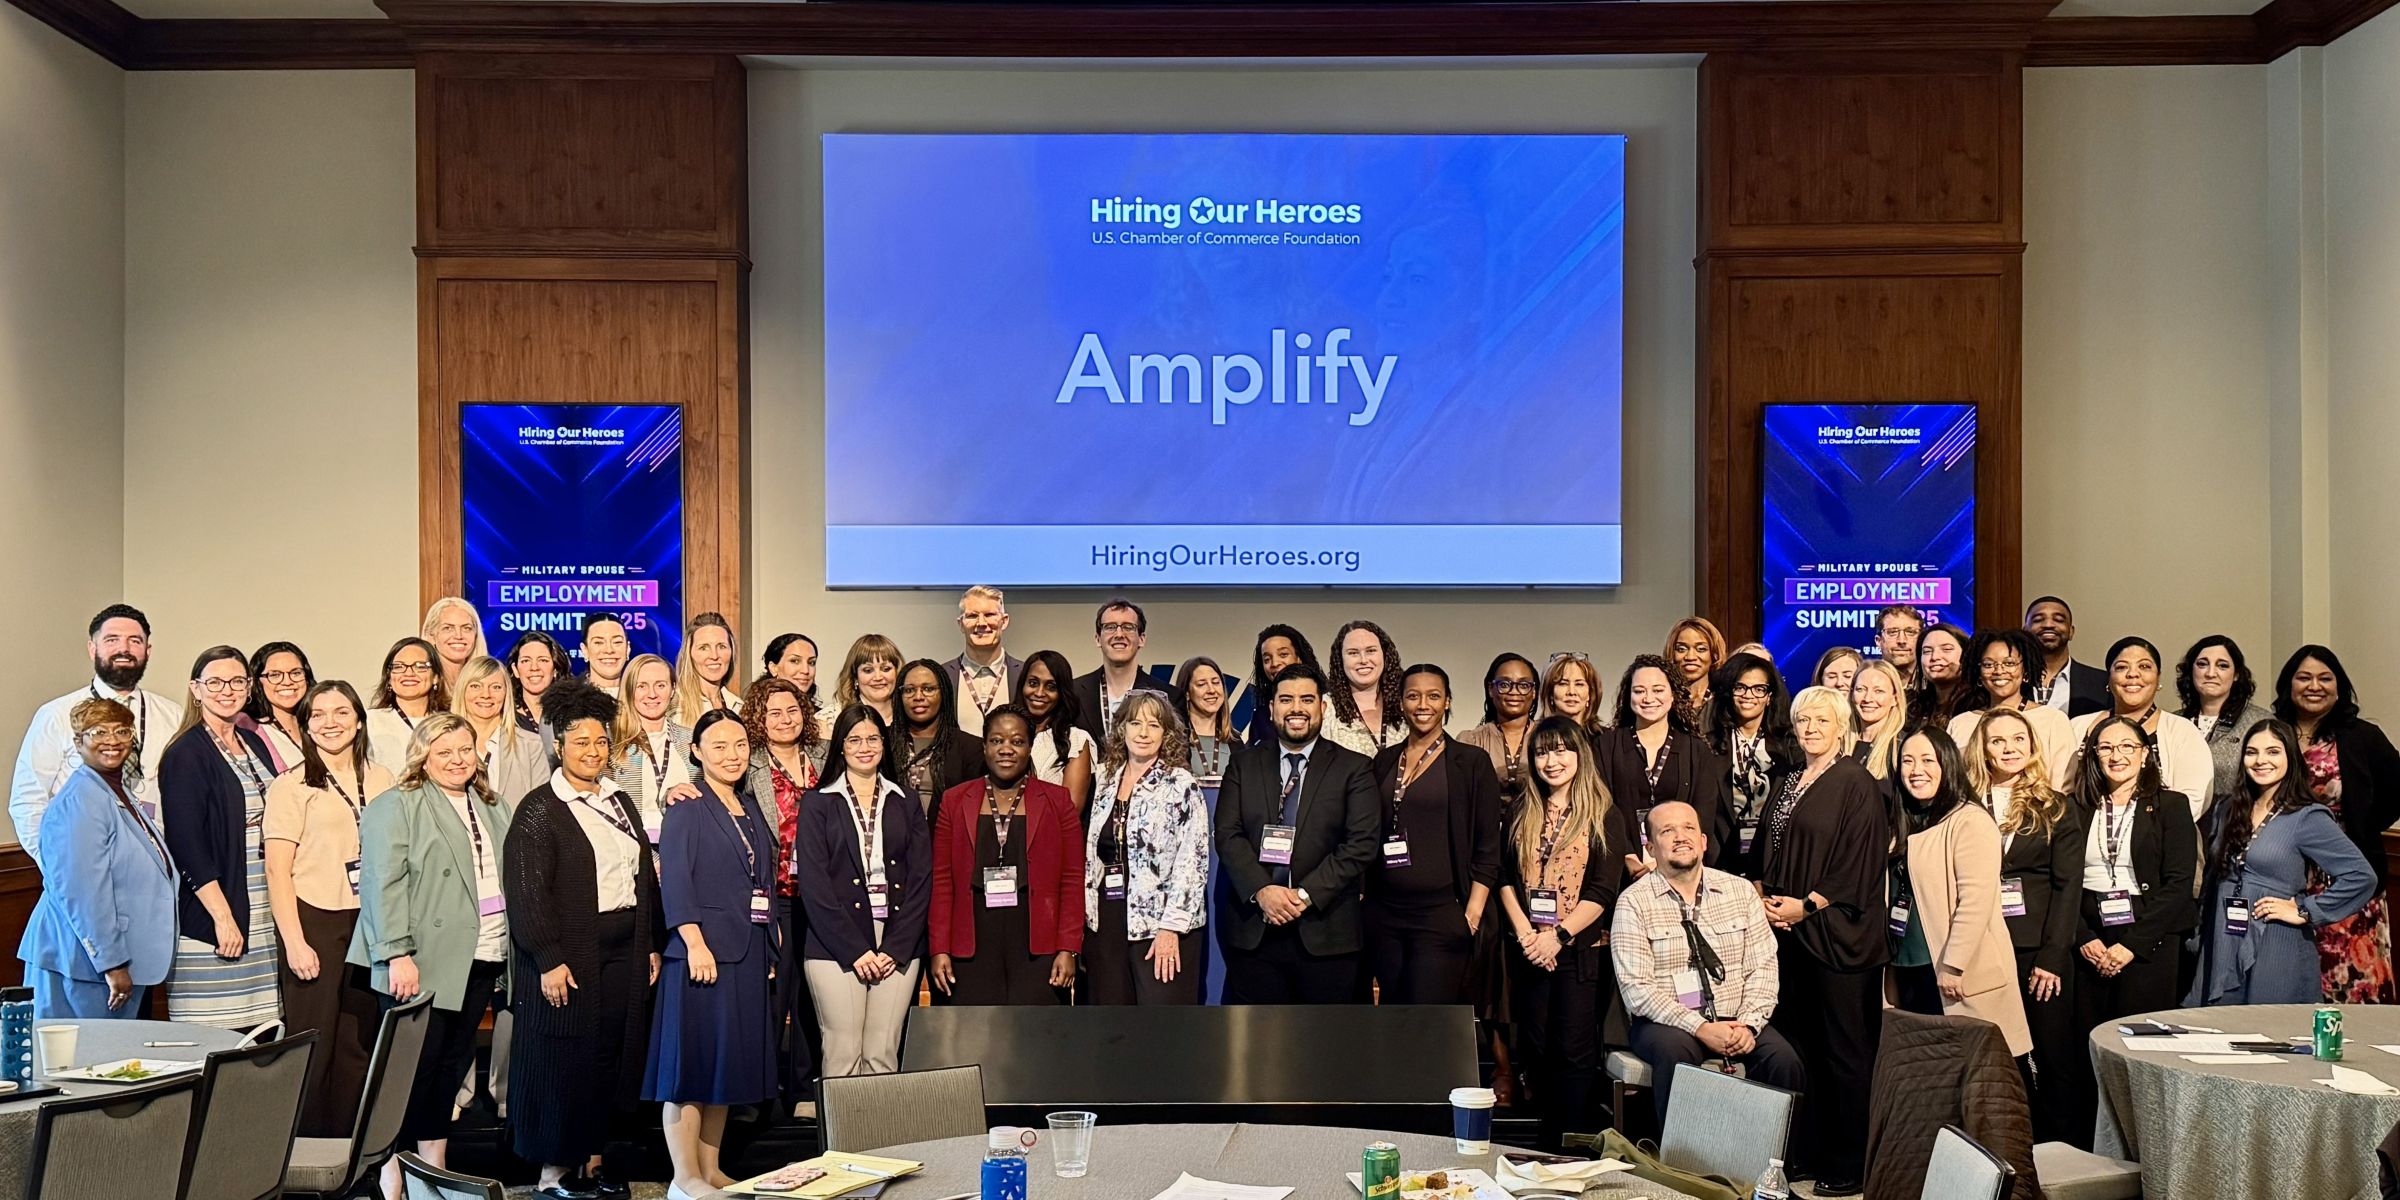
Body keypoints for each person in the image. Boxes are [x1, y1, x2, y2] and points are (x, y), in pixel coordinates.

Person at [505, 683, 662, 1200]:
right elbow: (527, 895)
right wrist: (549, 959)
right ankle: (555, 1173)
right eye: (580, 743)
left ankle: (594, 1161)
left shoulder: (619, 802)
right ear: (558, 747)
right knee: (563, 1058)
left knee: (609, 1054)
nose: (592, 752)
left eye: (600, 743)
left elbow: (643, 877)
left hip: (624, 947)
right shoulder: (538, 810)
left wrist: (652, 944)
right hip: (568, 953)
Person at [351, 714, 514, 1200]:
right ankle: (391, 1170)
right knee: (409, 1074)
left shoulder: (491, 803)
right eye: (444, 752)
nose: (457, 760)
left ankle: (433, 1166)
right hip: (420, 960)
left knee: (450, 1067)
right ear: (422, 755)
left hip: (479, 953)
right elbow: (382, 886)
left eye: (465, 750)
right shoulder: (397, 806)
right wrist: (397, 954)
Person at [1758, 687, 1891, 1196]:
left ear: (1842, 726)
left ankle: (1850, 1163)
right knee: (1802, 1051)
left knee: (1845, 1054)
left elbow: (1860, 860)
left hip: (1839, 939)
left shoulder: (1857, 781)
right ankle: (1807, 1153)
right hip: (1789, 937)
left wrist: (1807, 905)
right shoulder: (1790, 780)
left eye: (1821, 719)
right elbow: (1770, 847)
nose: (1810, 727)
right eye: (1801, 719)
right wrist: (1768, 900)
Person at [647, 709, 779, 1200]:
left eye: (740, 744)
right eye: (718, 745)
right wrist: (694, 941)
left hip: (745, 952)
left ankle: (711, 1168)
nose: (732, 754)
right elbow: (676, 879)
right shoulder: (686, 806)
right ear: (696, 752)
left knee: (723, 1066)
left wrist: (769, 943)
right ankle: (684, 1178)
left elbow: (761, 880)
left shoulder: (748, 805)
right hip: (699, 954)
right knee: (688, 1070)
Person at [1612, 800, 1805, 1124]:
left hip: (1737, 1017)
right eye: (1667, 831)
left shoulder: (1741, 892)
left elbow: (1763, 968)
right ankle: (1683, 1164)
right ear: (1650, 847)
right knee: (1676, 1055)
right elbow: (1637, 989)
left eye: (1688, 828)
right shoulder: (1633, 902)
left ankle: (1773, 1165)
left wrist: (1748, 1024)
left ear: (1703, 841)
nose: (1680, 837)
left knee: (1784, 1060)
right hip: (1668, 1024)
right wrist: (1700, 1027)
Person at [1497, 716, 1634, 1149]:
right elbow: (1503, 877)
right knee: (1534, 1049)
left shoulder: (1603, 812)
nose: (1551, 761)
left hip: (1578, 951)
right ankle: (1537, 1146)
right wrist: (1526, 934)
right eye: (1541, 752)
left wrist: (1556, 936)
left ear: (1579, 754)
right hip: (1529, 947)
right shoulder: (1523, 808)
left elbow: (1603, 890)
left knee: (1574, 1054)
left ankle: (1570, 1151)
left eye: (1560, 750)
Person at [262, 681, 392, 1138]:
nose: (330, 722)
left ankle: (348, 1153)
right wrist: (294, 943)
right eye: (318, 714)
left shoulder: (383, 778)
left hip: (370, 920)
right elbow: (277, 872)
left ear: (359, 719)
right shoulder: (290, 786)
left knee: (357, 1042)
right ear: (307, 725)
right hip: (314, 918)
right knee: (313, 1042)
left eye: (341, 712)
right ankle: (302, 1157)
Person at [2064, 715, 2196, 1149]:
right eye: (2105, 747)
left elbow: (2178, 887)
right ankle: (2092, 1154)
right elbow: (2060, 884)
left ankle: (2148, 1153)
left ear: (2144, 754)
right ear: (2093, 756)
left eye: (2127, 747)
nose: (2116, 756)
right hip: (2089, 935)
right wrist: (2084, 938)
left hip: (2149, 942)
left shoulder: (2171, 806)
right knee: (2089, 1055)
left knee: (2141, 1053)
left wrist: (2130, 947)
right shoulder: (2074, 806)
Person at [1214, 662, 1379, 1004]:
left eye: (1307, 699)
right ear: (1272, 708)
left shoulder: (1354, 768)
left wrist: (1302, 896)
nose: (1297, 709)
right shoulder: (1244, 763)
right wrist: (1262, 891)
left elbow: (1360, 845)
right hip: (1255, 931)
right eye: (1286, 700)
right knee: (1259, 1048)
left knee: (1323, 1048)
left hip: (1326, 933)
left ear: (1323, 707)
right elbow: (1228, 834)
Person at [1959, 706, 2085, 1145]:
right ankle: (2005, 1147)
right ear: (1983, 748)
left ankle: (2062, 1150)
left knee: (2052, 1055)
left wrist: (2053, 957)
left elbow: (2068, 889)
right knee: (1994, 1056)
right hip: (1980, 946)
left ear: (2031, 747)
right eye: (1998, 741)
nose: (2009, 749)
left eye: (2018, 740)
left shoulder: (2056, 807)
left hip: (2037, 952)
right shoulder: (1964, 804)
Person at [2189, 719, 2376, 1007]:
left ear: (2290, 756)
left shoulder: (2308, 816)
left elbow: (2361, 876)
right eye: (2252, 752)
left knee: (2271, 1033)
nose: (2261, 760)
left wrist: (2305, 910)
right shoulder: (2227, 808)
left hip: (2275, 940)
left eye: (2273, 752)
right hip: (2223, 937)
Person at [17, 698, 177, 1019]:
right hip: (84, 964)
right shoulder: (80, 800)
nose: (112, 740)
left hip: (111, 962)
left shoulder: (115, 791)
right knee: (86, 1064)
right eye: (98, 731)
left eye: (121, 730)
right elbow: (84, 892)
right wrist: (112, 963)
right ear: (78, 742)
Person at [798, 706, 929, 1078]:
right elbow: (815, 885)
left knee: (882, 1052)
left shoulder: (905, 800)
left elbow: (921, 879)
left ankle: (881, 1138)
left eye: (872, 738)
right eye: (854, 739)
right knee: (843, 1052)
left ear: (885, 744)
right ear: (840, 747)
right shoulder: (818, 802)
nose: (864, 747)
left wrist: (895, 949)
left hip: (896, 942)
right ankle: (844, 1139)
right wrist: (856, 952)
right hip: (835, 944)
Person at [1885, 729, 2031, 1059]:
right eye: (1908, 761)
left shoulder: (1969, 821)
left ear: (1947, 764)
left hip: (1953, 973)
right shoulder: (1903, 821)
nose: (1916, 769)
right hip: (1909, 966)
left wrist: (1954, 964)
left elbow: (1975, 902)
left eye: (1927, 760)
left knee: (1976, 1075)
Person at [159, 646, 284, 1029]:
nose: (226, 690)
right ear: (195, 689)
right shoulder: (185, 753)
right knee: (216, 1043)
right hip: (219, 910)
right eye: (214, 682)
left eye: (236, 681)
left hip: (260, 908)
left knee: (261, 1036)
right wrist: (223, 917)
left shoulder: (255, 742)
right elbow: (186, 845)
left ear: (249, 688)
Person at [1364, 665, 1503, 1004]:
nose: (1422, 704)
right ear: (1401, 703)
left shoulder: (1470, 762)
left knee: (1429, 1022)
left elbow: (1488, 845)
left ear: (1447, 702)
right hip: (1385, 916)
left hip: (1441, 914)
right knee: (1394, 1015)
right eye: (1413, 695)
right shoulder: (1383, 761)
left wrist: (1471, 914)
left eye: (1433, 695)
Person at [929, 705, 1082, 1005]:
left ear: (1029, 748)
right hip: (970, 943)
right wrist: (939, 948)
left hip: (1038, 944)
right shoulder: (954, 800)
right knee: (975, 1042)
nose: (1006, 749)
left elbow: (1073, 879)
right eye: (997, 741)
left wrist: (1068, 947)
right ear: (984, 747)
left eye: (1017, 741)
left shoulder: (1058, 801)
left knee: (1036, 1038)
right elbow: (942, 880)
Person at [2274, 645, 2400, 1004]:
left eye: (2325, 678)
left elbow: (2397, 789)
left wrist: (2358, 828)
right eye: (2304, 677)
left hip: (2348, 878)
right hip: (2287, 877)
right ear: (2289, 684)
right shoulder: (2273, 733)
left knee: (2350, 982)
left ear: (2339, 686)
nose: (2314, 686)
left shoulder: (2361, 735)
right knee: (2294, 979)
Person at [11, 604, 185, 858]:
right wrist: (57, 867)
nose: (124, 649)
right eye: (111, 639)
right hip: (80, 861)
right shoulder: (56, 714)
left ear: (147, 651)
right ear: (92, 648)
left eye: (134, 641)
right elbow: (28, 800)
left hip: (154, 863)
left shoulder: (173, 715)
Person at [1087, 693, 1212, 1005]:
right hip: (1108, 921)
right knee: (1113, 1028)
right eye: (1135, 723)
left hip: (1161, 926)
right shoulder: (1105, 779)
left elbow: (1193, 862)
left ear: (1166, 734)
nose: (1143, 732)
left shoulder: (1180, 784)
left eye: (1153, 725)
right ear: (1122, 729)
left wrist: (1170, 929)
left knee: (1161, 1030)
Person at [740, 675, 825, 1097]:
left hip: (822, 897)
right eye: (774, 712)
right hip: (774, 897)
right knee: (773, 997)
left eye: (792, 710)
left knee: (813, 996)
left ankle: (804, 1088)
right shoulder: (748, 764)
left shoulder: (824, 758)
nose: (785, 719)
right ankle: (762, 1092)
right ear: (758, 718)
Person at [1599, 654, 1732, 871]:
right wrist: (1628, 858)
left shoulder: (1696, 751)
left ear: (1673, 695)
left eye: (1658, 690)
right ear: (1628, 696)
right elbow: (1601, 808)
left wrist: (1668, 864)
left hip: (1681, 868)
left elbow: (1703, 817)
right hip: (1622, 868)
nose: (1648, 698)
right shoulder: (1606, 745)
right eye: (1639, 691)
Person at [2067, 637, 2216, 819]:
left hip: (2160, 839)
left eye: (2144, 667)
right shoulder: (2078, 726)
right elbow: (2061, 791)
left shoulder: (2182, 731)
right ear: (2109, 678)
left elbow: (2193, 801)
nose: (2133, 674)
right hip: (2082, 836)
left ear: (2158, 677)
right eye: (2121, 667)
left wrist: (2137, 833)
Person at [1708, 651, 1799, 880]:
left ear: (1769, 696)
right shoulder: (1708, 745)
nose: (1749, 695)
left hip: (1772, 864)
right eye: (1741, 687)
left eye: (1759, 689)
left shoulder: (1789, 747)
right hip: (1721, 863)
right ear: (1730, 692)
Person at [1952, 629, 2077, 789]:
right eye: (1988, 664)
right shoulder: (1960, 723)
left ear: (2025, 669)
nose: (1999, 671)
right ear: (1979, 673)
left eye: (2009, 663)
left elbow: (2064, 788)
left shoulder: (2052, 720)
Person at [2178, 635, 2273, 806]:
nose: (2210, 673)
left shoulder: (2260, 723)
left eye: (2222, 666)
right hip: (2179, 824)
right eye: (2202, 664)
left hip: (2238, 823)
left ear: (2236, 674)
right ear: (2191, 671)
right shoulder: (2174, 722)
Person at [609, 654, 690, 847]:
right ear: (629, 691)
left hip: (685, 851)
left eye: (660, 685)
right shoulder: (612, 742)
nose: (652, 694)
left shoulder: (690, 741)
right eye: (642, 686)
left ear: (672, 690)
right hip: (631, 854)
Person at [896, 659, 987, 825]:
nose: (918, 697)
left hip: (946, 842)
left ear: (943, 692)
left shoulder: (970, 748)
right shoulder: (882, 742)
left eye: (928, 689)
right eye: (909, 690)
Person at [455, 655, 552, 808]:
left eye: (496, 687)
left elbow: (542, 808)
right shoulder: (440, 744)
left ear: (506, 693)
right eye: (475, 686)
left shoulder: (531, 745)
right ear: (462, 690)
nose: (486, 694)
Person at [1075, 599, 1174, 743]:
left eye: (1128, 627)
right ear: (1098, 639)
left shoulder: (1169, 696)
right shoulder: (1073, 693)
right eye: (1110, 627)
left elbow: (1177, 755)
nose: (1119, 634)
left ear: (1141, 639)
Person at [1017, 650, 1096, 811]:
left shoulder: (1075, 740)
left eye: (1051, 687)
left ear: (1062, 693)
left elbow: (1070, 809)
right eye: (1033, 683)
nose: (1039, 693)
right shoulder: (1004, 732)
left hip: (1050, 833)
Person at [365, 637, 447, 780]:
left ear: (436, 677)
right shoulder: (370, 721)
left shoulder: (448, 723)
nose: (409, 673)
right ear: (389, 678)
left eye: (420, 666)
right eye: (399, 666)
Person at [1461, 653, 1541, 797]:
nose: (1514, 692)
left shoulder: (1549, 737)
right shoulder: (1471, 741)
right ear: (1491, 689)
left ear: (1534, 692)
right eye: (1504, 684)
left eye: (1523, 685)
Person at [946, 585, 1022, 738]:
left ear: (1004, 621)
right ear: (961, 624)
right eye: (972, 616)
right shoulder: (942, 676)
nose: (981, 623)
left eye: (989, 614)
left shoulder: (1025, 674)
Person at [1325, 619, 1406, 756]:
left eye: (1371, 651)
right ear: (1340, 660)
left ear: (1385, 655)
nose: (1363, 660)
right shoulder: (1325, 708)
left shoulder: (1404, 702)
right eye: (1353, 653)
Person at [2024, 596, 2108, 716]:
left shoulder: (2102, 683)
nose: (2048, 624)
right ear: (2024, 631)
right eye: (2038, 620)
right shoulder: (2007, 680)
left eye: (2058, 620)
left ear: (2071, 632)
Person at [1243, 623, 1322, 746]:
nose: (1274, 663)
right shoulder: (1261, 714)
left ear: (1299, 658)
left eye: (1283, 654)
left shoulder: (1327, 701)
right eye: (1267, 659)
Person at [244, 641, 314, 772]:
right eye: (275, 675)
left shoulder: (319, 722)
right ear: (257, 681)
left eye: (296, 673)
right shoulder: (249, 728)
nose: (287, 682)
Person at [1174, 656, 1237, 786]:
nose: (1211, 690)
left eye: (1216, 682)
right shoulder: (1173, 739)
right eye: (1201, 684)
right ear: (1187, 693)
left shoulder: (1235, 741)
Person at [673, 611, 743, 720]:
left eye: (721, 646)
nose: (714, 656)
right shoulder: (675, 706)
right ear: (689, 654)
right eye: (704, 648)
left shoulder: (739, 707)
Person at [1848, 659, 1910, 782]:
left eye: (1878, 691)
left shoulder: (1903, 748)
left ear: (1895, 698)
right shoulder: (1837, 744)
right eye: (1860, 689)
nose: (1867, 698)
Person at [761, 632, 829, 741]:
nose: (806, 670)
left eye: (811, 662)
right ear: (773, 668)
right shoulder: (755, 716)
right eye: (795, 661)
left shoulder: (823, 719)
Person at [1664, 617, 1726, 734]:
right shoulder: (1662, 699)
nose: (1690, 657)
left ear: (1714, 654)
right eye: (1681, 649)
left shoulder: (1724, 701)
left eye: (1701, 649)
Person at [507, 632, 569, 744]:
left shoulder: (573, 713)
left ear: (555, 669)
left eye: (543, 660)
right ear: (515, 670)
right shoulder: (505, 716)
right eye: (526, 661)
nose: (534, 667)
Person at [833, 634, 903, 730]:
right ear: (855, 677)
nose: (878, 677)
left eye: (886, 669)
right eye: (868, 670)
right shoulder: (834, 719)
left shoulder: (911, 716)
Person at [422, 596, 489, 695]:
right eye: (448, 628)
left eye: (466, 628)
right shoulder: (422, 682)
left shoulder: (489, 682)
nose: (458, 636)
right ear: (431, 636)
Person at [1541, 652, 1609, 744]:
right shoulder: (1536, 737)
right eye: (1563, 684)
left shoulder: (1607, 740)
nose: (1571, 692)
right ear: (1550, 693)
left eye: (1579, 684)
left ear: (1590, 694)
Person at [1911, 623, 1970, 726]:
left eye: (1947, 649)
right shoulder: (1914, 707)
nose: (1934, 657)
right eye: (1927, 651)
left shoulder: (1978, 706)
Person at [580, 612, 633, 694]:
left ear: (628, 649)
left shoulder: (644, 696)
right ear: (585, 650)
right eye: (598, 643)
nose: (609, 650)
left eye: (617, 642)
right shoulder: (565, 701)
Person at [1873, 604, 1925, 686]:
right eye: (1892, 632)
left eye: (1910, 632)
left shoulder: (1934, 684)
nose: (1901, 640)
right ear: (1879, 641)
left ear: (1921, 640)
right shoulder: (1864, 680)